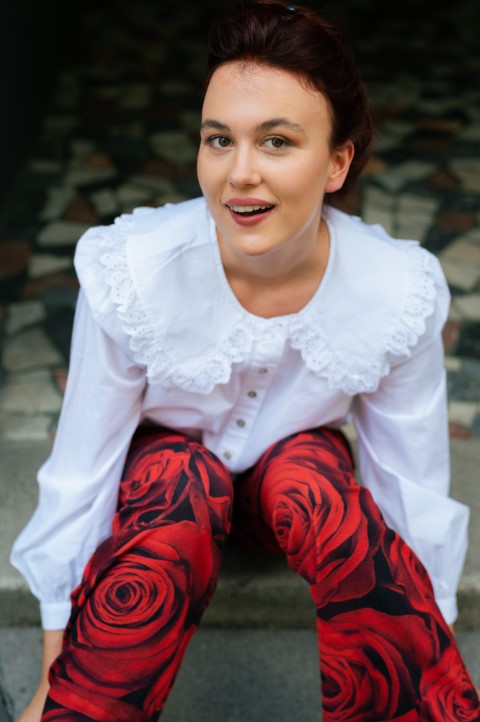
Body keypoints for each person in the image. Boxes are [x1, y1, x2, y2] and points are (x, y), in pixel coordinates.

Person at [11, 2, 480, 721]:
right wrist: (58, 671)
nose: (240, 174)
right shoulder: (132, 270)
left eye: (277, 142)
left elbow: (409, 485)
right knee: (185, 479)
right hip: (161, 491)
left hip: (290, 486)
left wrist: (429, 646)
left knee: (310, 481)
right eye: (219, 139)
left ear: (338, 162)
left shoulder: (398, 289)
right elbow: (83, 467)